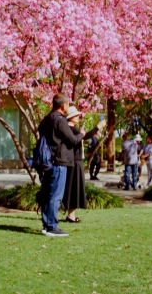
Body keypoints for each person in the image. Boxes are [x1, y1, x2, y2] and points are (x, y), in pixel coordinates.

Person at [37, 93, 85, 237]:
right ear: (63, 105)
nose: (68, 107)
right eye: (68, 104)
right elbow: (71, 140)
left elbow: (41, 132)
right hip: (59, 161)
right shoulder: (60, 120)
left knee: (48, 194)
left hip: (47, 161)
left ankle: (47, 224)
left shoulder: (46, 119)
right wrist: (81, 134)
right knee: (55, 195)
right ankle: (52, 226)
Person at [62, 107, 105, 223]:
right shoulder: (71, 129)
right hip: (75, 162)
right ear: (71, 117)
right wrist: (98, 126)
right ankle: (70, 215)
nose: (78, 117)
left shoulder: (69, 129)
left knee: (73, 188)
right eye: (76, 116)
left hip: (75, 161)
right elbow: (86, 136)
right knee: (74, 188)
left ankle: (71, 214)